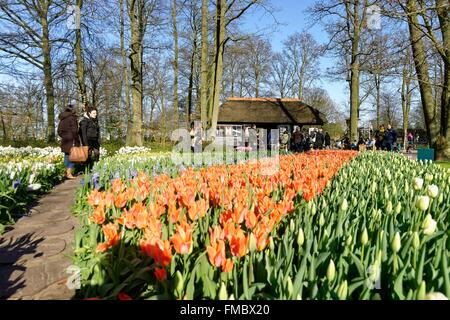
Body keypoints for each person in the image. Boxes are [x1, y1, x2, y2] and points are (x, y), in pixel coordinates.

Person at [57, 104, 80, 179]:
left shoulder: (62, 118)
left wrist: (64, 136)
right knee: (73, 157)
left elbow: (59, 131)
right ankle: (69, 174)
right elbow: (75, 130)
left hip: (65, 140)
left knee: (67, 156)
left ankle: (66, 173)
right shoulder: (72, 118)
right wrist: (75, 138)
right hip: (72, 140)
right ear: (72, 110)